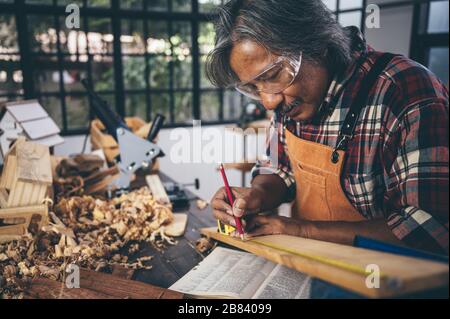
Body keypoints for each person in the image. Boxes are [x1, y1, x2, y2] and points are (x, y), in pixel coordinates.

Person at [207, 0, 449, 255]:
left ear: (318, 46)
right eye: (254, 87)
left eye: (272, 76)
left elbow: (428, 230)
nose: (268, 101)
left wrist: (302, 231)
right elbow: (279, 169)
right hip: (307, 266)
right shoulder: (288, 100)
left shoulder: (405, 91)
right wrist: (256, 195)